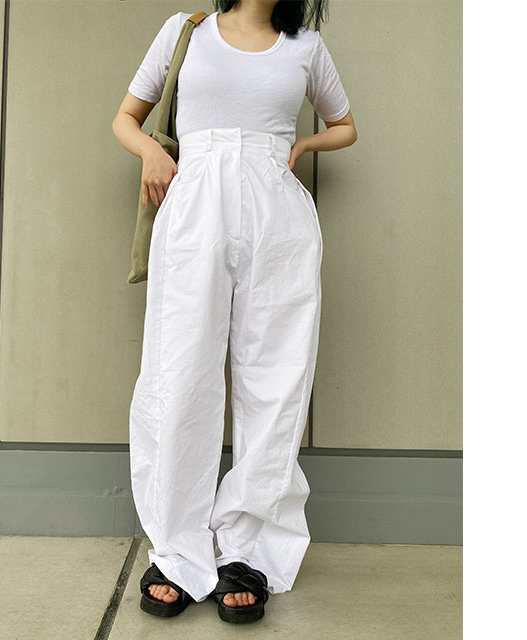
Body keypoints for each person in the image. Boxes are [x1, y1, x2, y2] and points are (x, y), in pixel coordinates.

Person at [112, 0, 357, 623]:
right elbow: (125, 117)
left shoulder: (305, 46)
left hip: (278, 211)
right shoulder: (185, 31)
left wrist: (302, 144)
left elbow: (345, 124)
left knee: (275, 378)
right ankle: (178, 550)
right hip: (194, 202)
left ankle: (248, 549)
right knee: (178, 372)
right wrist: (151, 154)